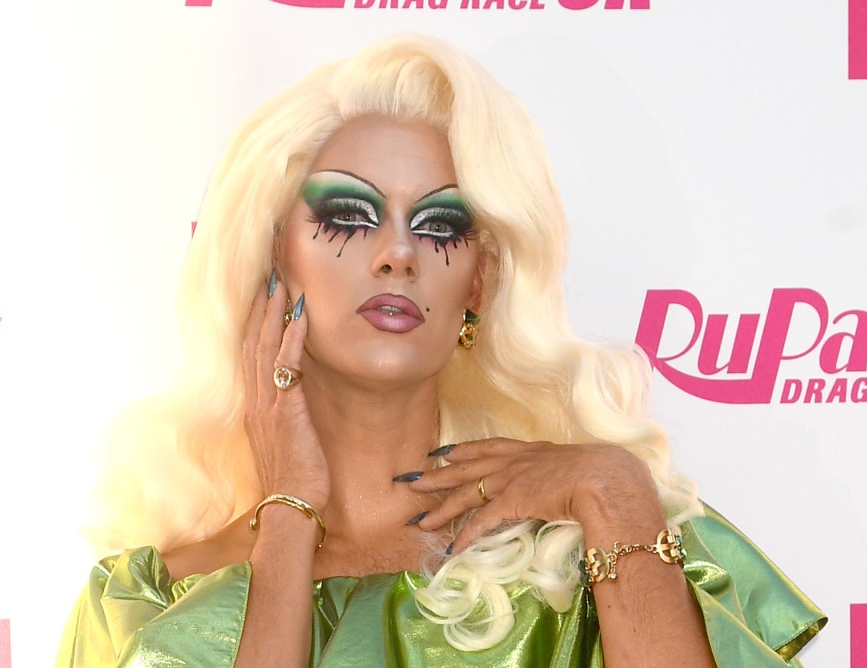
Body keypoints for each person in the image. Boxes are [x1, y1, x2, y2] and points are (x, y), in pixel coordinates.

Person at [56, 34, 826, 667]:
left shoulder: (599, 544)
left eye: (440, 226)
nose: (397, 254)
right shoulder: (149, 599)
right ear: (272, 255)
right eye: (349, 214)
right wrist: (288, 511)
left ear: (480, 283)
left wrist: (613, 487)